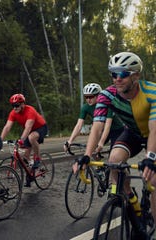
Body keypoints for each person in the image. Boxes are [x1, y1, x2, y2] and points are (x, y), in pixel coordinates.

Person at [77, 52, 156, 231]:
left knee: (154, 179)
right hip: (133, 134)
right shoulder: (107, 95)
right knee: (114, 161)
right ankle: (131, 199)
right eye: (113, 74)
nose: (117, 79)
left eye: (122, 74)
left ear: (136, 75)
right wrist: (86, 156)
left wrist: (150, 158)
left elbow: (154, 129)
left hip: (153, 133)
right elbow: (97, 127)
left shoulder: (151, 92)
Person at [0, 93, 48, 186]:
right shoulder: (13, 113)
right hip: (30, 131)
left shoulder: (30, 110)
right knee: (25, 156)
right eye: (13, 106)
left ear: (22, 104)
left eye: (17, 105)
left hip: (41, 127)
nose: (14, 108)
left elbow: (28, 128)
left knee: (31, 137)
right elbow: (7, 127)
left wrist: (21, 140)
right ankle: (30, 175)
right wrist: (0, 140)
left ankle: (37, 158)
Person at [64, 83, 124, 154]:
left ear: (99, 96)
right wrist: (70, 141)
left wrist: (101, 142)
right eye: (86, 97)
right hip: (101, 130)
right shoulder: (85, 107)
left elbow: (108, 126)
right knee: (94, 152)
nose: (88, 99)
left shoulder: (107, 105)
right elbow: (79, 125)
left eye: (91, 97)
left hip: (117, 130)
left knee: (114, 156)